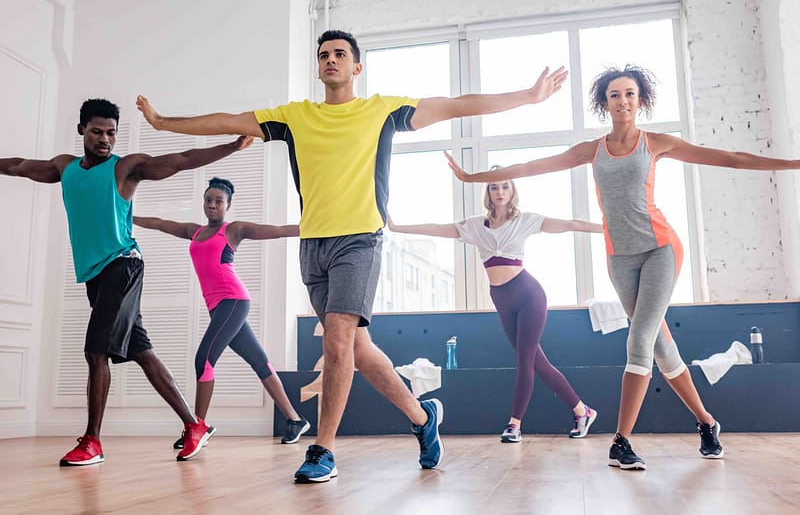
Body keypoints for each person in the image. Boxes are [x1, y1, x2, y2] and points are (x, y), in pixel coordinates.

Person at [135, 29, 569, 483]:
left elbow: (456, 105)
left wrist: (528, 96)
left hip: (359, 240)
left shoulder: (382, 110)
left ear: (356, 66)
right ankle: (424, 418)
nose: (331, 59)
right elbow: (227, 121)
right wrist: (164, 123)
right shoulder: (294, 117)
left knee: (337, 341)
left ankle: (322, 450)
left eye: (340, 54)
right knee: (358, 349)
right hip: (313, 245)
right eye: (324, 54)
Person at [449, 64, 800, 470]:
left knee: (639, 340)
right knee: (662, 347)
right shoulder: (592, 150)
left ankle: (621, 441)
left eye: (630, 93)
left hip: (661, 249)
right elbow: (533, 167)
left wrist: (793, 164)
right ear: (605, 103)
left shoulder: (656, 143)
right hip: (619, 258)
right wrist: (472, 177)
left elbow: (729, 158)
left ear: (640, 99)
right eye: (614, 95)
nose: (623, 101)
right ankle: (707, 423)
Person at [0, 98, 252, 466]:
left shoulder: (125, 169)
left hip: (122, 265)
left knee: (95, 350)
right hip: (96, 274)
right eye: (97, 131)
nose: (105, 139)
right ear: (81, 130)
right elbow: (20, 166)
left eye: (111, 133)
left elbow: (181, 160)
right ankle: (194, 424)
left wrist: (230, 146)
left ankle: (92, 442)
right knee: (141, 351)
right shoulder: (65, 167)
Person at [388, 168, 601, 443]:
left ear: (512, 190)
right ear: (487, 192)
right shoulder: (476, 226)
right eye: (494, 187)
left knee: (525, 361)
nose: (500, 192)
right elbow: (438, 229)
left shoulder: (524, 221)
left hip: (529, 295)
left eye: (505, 186)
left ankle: (514, 425)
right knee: (538, 362)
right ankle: (583, 411)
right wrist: (397, 227)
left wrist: (606, 228)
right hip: (501, 299)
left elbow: (571, 224)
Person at [133, 177, 310, 447]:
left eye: (218, 201)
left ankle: (197, 427)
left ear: (228, 205)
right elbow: (159, 223)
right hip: (218, 307)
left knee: (204, 360)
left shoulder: (234, 230)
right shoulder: (194, 231)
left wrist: (314, 227)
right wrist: (127, 216)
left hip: (233, 300)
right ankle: (295, 419)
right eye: (208, 200)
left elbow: (277, 230)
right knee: (259, 361)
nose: (212, 205)